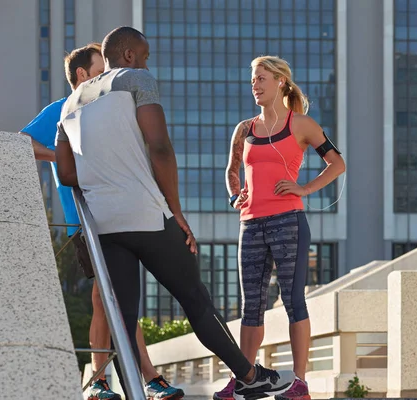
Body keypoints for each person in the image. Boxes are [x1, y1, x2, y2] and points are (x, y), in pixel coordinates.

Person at [54, 26, 296, 400]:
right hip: (147, 215)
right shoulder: (136, 78)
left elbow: (67, 173)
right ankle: (250, 376)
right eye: (145, 55)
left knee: (124, 319)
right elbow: (160, 147)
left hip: (103, 226)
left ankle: (137, 391)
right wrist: (177, 211)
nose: (147, 61)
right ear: (130, 55)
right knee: (195, 300)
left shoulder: (69, 105)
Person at [20, 42, 183, 400]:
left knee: (112, 298)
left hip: (123, 217)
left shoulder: (110, 111)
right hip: (89, 223)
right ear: (82, 75)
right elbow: (20, 143)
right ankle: (128, 379)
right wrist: (62, 157)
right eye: (99, 71)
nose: (105, 78)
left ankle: (110, 380)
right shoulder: (64, 110)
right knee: (107, 297)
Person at [215, 56, 346, 400]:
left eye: (261, 79)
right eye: (252, 80)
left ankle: (299, 382)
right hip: (251, 225)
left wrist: (303, 189)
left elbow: (337, 163)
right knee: (251, 306)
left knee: (293, 300)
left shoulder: (301, 124)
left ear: (280, 83)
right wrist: (234, 197)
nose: (255, 85)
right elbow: (231, 171)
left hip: (289, 221)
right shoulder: (244, 129)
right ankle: (245, 377)